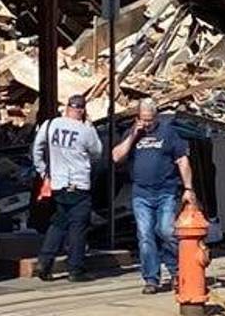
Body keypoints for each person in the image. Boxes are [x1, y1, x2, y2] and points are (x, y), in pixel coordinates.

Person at [113, 98, 196, 294]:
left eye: (150, 120)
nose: (147, 124)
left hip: (166, 191)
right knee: (145, 236)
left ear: (156, 117)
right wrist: (133, 135)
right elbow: (116, 156)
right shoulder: (132, 133)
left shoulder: (169, 132)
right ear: (138, 118)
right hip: (141, 194)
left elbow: (182, 160)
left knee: (166, 231)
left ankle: (177, 270)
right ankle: (151, 279)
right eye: (144, 119)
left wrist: (188, 188)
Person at [32, 94, 102, 283]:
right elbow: (97, 153)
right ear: (82, 110)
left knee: (59, 222)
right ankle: (75, 269)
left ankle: (44, 262)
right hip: (78, 184)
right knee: (78, 226)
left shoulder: (50, 124)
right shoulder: (86, 130)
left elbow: (37, 148)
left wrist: (43, 171)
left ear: (66, 108)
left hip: (57, 183)